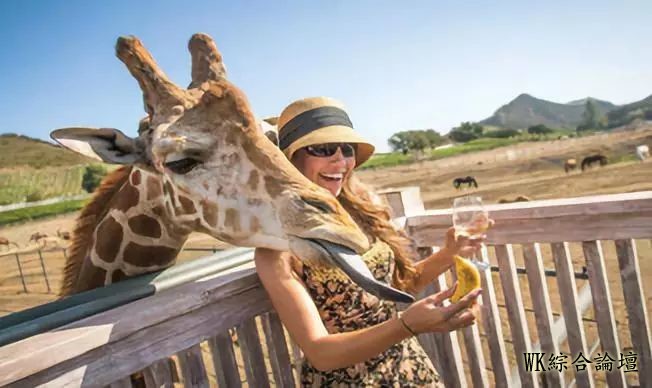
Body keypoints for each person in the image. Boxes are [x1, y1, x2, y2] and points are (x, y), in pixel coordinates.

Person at [254, 96, 486, 386]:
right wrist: (407, 324)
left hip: (409, 369)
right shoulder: (276, 247)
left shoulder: (361, 210)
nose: (340, 160)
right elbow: (320, 353)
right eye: (324, 149)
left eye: (346, 149)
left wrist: (449, 253)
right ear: (291, 160)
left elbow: (398, 286)